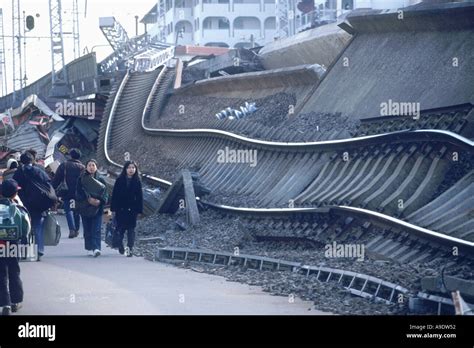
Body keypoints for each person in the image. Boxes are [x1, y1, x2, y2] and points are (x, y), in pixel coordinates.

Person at [13, 152, 56, 260]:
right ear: (32, 161)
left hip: (24, 205)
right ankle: (39, 251)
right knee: (38, 228)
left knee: (24, 228)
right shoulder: (39, 171)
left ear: (21, 161)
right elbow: (48, 184)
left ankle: (23, 252)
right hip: (39, 205)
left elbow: (14, 186)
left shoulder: (18, 173)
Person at [0, 179, 31, 315]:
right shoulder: (19, 208)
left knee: (1, 275)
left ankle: (4, 304)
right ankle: (15, 301)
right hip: (13, 245)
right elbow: (26, 229)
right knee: (14, 272)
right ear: (15, 194)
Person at [75, 159, 108, 257]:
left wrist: (100, 201)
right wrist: (88, 199)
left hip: (97, 208)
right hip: (85, 207)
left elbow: (105, 193)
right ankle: (89, 247)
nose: (91, 167)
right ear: (86, 167)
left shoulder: (101, 179)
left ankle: (96, 248)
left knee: (96, 228)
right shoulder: (81, 179)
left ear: (96, 167)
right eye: (89, 165)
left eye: (93, 165)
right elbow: (78, 193)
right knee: (87, 228)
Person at [110, 161, 143, 257]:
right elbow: (115, 195)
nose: (131, 170)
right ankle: (120, 245)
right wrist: (113, 209)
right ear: (125, 169)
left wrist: (139, 210)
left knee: (131, 230)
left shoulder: (137, 181)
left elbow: (140, 196)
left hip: (132, 210)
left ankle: (130, 249)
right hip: (121, 209)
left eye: (133, 168)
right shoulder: (120, 180)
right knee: (120, 229)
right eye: (129, 167)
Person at [52, 149, 85, 239]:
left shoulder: (64, 165)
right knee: (76, 211)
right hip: (78, 193)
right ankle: (77, 229)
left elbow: (57, 179)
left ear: (70, 156)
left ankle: (72, 229)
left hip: (66, 191)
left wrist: (52, 188)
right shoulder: (82, 167)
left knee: (68, 210)